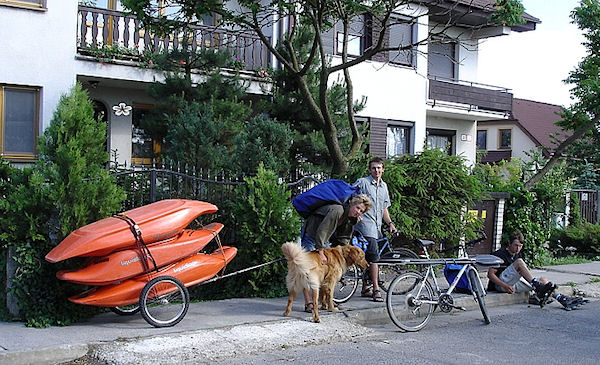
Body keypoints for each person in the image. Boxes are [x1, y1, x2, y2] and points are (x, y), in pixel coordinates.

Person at [300, 194, 373, 312]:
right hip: (311, 234)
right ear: (352, 204)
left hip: (323, 239)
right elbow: (322, 231)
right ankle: (308, 303)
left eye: (361, 211)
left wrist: (342, 254)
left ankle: (325, 301)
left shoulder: (350, 219)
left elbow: (344, 239)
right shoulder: (337, 211)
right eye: (357, 208)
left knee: (327, 273)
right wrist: (321, 252)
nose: (358, 212)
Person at [487, 230, 586, 309]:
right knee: (520, 262)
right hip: (500, 285)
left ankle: (560, 298)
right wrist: (505, 285)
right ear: (509, 243)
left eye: (520, 246)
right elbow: (490, 274)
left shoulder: (517, 254)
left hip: (513, 283)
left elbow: (522, 274)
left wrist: (538, 285)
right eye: (515, 245)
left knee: (544, 280)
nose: (518, 249)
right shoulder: (500, 254)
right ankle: (537, 287)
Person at [353, 157, 397, 302]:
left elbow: (384, 208)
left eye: (379, 168)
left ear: (383, 169)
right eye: (373, 168)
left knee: (367, 257)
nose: (376, 170)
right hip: (365, 225)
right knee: (374, 257)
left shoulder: (384, 187)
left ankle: (365, 287)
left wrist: (390, 223)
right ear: (370, 170)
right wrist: (355, 213)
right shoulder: (363, 182)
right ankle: (376, 289)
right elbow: (350, 197)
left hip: (376, 226)